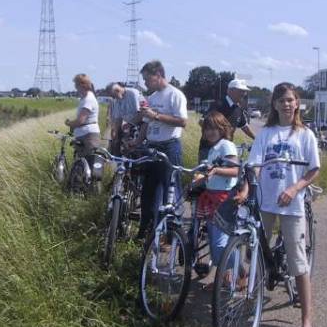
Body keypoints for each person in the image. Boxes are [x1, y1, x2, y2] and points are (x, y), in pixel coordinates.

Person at [242, 82, 320, 327]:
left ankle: (307, 319)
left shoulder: (305, 134)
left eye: (291, 100)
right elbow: (254, 164)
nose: (286, 104)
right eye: (281, 100)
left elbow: (312, 169)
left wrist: (295, 189)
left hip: (292, 204)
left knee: (298, 260)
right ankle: (251, 300)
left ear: (297, 103)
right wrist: (251, 184)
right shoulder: (266, 133)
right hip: (265, 202)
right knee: (256, 252)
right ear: (274, 104)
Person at [134, 60, 188, 238]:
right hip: (152, 147)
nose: (145, 83)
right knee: (148, 191)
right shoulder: (152, 97)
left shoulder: (175, 95)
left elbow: (182, 121)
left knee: (171, 191)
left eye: (147, 79)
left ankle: (173, 234)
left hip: (169, 147)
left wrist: (155, 115)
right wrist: (137, 142)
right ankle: (147, 231)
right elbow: (146, 124)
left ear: (158, 75)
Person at [194, 111, 241, 288]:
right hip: (212, 196)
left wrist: (215, 171)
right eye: (207, 128)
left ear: (222, 129)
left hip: (223, 198)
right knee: (215, 242)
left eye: (214, 128)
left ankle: (239, 273)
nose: (210, 132)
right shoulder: (214, 148)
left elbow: (235, 170)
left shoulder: (226, 145)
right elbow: (212, 173)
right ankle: (224, 277)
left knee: (220, 244)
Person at [197, 78, 256, 162]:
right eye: (241, 91)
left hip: (226, 150)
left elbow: (244, 126)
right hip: (209, 149)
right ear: (230, 91)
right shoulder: (218, 104)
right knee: (206, 173)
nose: (244, 94)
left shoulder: (238, 108)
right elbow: (202, 121)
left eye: (244, 91)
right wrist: (216, 137)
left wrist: (256, 139)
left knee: (224, 173)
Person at [65, 74, 100, 164]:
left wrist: (69, 123)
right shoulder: (84, 99)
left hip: (88, 135)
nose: (75, 87)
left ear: (82, 85)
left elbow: (81, 120)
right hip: (84, 134)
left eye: (76, 85)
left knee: (87, 163)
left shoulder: (88, 99)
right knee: (81, 164)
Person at [106, 82, 144, 155]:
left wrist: (130, 124)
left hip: (140, 126)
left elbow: (141, 113)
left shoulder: (133, 93)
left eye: (114, 96)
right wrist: (115, 133)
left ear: (117, 91)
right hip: (129, 126)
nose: (114, 98)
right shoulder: (117, 100)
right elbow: (118, 119)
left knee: (133, 149)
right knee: (116, 144)